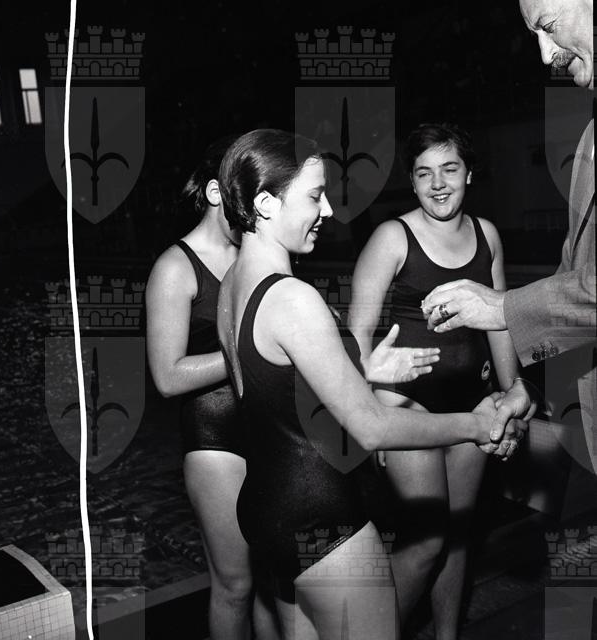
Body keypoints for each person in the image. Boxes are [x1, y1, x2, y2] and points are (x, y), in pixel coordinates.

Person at [216, 128, 518, 640]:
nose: (328, 210)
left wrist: (363, 371)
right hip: (320, 513)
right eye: (315, 196)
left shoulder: (231, 283)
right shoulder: (292, 297)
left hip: (265, 505)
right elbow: (371, 427)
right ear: (265, 204)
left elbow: (275, 388)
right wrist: (477, 424)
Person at [348, 122, 531, 639]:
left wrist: (509, 393)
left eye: (449, 169)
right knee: (426, 541)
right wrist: (372, 413)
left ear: (469, 174)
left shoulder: (486, 235)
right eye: (424, 173)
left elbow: (500, 320)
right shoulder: (393, 237)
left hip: (472, 403)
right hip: (408, 404)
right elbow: (356, 335)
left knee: (458, 534)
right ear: (411, 181)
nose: (438, 183)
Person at [422, 0, 595, 470]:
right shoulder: (589, 138)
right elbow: (572, 278)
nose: (545, 54)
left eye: (549, 26)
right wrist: (531, 386)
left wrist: (500, 307)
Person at [146, 138, 279, 640]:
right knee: (235, 585)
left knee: (273, 578)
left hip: (270, 431)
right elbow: (167, 376)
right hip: (215, 438)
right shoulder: (175, 267)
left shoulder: (257, 255)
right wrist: (248, 349)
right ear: (215, 193)